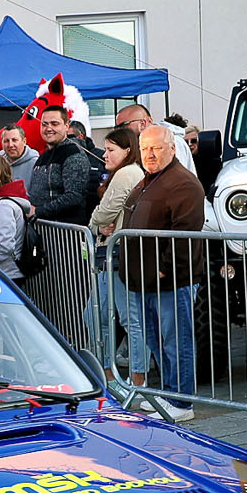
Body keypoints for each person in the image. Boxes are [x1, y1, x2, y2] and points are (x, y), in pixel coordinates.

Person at [118, 126, 205, 418]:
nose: (150, 154)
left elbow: (184, 234)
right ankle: (169, 394)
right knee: (158, 342)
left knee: (176, 342)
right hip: (146, 282)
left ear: (172, 148)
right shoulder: (149, 181)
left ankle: (181, 402)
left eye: (156, 148)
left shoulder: (183, 183)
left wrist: (164, 271)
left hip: (170, 283)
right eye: (145, 149)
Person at [90, 127, 145, 367]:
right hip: (113, 254)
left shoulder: (127, 173)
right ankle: (109, 372)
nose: (105, 155)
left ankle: (136, 377)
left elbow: (104, 213)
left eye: (111, 150)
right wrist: (98, 225)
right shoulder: (129, 172)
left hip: (118, 255)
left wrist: (94, 222)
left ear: (127, 151)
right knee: (97, 316)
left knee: (129, 319)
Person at [28, 105, 100, 225]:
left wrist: (39, 211)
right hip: (44, 229)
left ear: (66, 126)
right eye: (44, 124)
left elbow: (74, 196)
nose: (48, 128)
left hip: (66, 231)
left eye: (54, 124)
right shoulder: (43, 156)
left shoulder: (74, 154)